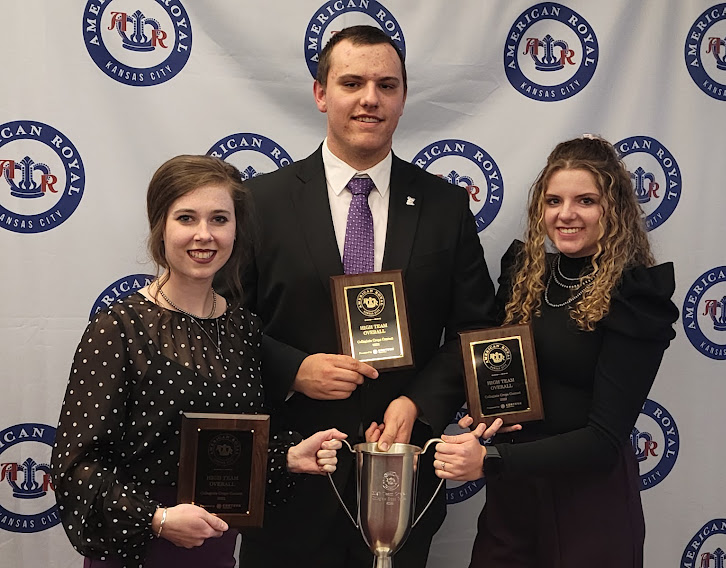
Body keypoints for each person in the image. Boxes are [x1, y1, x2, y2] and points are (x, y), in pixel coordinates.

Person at [240, 25, 496, 568]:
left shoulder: (445, 205)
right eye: (352, 82)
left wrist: (419, 403)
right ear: (320, 93)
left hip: (401, 478)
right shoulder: (259, 202)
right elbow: (221, 325)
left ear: (403, 98)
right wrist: (293, 369)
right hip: (290, 479)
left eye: (387, 85)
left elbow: (478, 332)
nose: (369, 99)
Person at [51, 155, 347, 568]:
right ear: (161, 227)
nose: (204, 235)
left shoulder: (244, 329)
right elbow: (75, 465)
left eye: (220, 219)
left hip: (216, 550)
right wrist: (157, 519)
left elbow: (234, 445)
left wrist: (287, 457)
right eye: (187, 218)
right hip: (139, 552)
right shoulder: (119, 328)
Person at [433, 135, 679, 568]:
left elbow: (604, 440)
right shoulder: (526, 275)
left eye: (585, 200)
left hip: (588, 503)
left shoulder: (635, 295)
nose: (565, 215)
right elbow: (498, 368)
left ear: (614, 208)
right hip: (514, 498)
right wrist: (484, 408)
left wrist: (490, 459)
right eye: (553, 201)